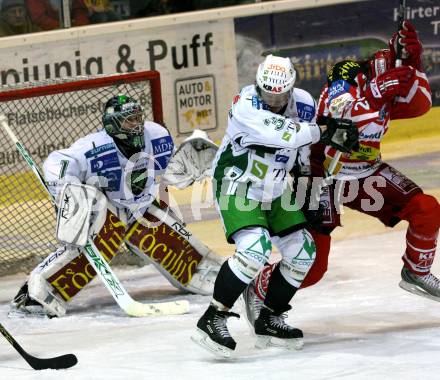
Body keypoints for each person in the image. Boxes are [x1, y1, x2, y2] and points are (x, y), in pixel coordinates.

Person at [243, 21, 440, 327]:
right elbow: (336, 114)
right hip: (323, 173)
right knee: (313, 266)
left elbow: (421, 105)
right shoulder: (347, 73)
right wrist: (377, 90)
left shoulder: (389, 84)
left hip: (365, 173)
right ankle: (259, 287)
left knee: (427, 209)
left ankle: (417, 270)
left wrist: (415, 64)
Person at [191, 54, 359, 357]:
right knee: (255, 249)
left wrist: (308, 188)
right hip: (237, 181)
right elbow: (283, 133)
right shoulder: (245, 104)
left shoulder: (304, 103)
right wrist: (326, 130)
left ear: (291, 88)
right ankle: (213, 317)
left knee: (303, 252)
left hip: (277, 185)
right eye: (267, 91)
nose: (273, 98)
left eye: (280, 93)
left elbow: (303, 152)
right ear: (258, 85)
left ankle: (269, 316)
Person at [9, 95, 223, 318]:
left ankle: (209, 273)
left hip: (142, 209)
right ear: (113, 124)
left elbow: (171, 165)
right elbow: (56, 161)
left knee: (178, 248)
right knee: (89, 248)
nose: (137, 124)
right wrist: (66, 189)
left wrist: (190, 159)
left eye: (138, 118)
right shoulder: (93, 148)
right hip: (109, 213)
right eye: (129, 120)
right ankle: (35, 293)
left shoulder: (157, 135)